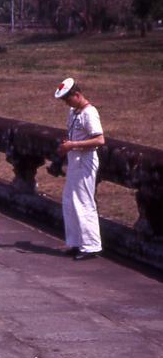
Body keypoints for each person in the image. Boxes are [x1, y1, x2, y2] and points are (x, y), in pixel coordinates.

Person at [54, 78, 105, 260]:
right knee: (69, 201)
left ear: (77, 94)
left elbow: (99, 139)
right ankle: (75, 242)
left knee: (83, 201)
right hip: (74, 159)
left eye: (68, 99)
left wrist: (73, 145)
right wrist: (67, 146)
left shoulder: (89, 113)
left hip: (85, 160)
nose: (66, 103)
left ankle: (91, 245)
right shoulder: (73, 112)